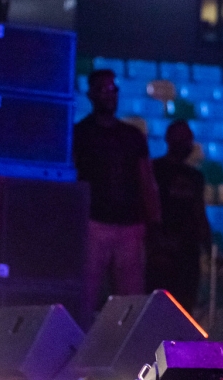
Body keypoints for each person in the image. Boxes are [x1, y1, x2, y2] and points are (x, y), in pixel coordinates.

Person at [73, 69, 161, 311]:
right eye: (103, 89)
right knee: (86, 294)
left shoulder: (132, 136)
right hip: (94, 223)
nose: (109, 94)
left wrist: (154, 221)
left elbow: (146, 179)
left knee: (131, 301)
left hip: (130, 225)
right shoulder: (80, 134)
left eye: (112, 89)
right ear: (91, 94)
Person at [146, 120, 211, 311]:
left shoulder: (195, 177)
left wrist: (208, 246)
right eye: (182, 138)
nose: (186, 143)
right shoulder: (154, 170)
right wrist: (156, 242)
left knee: (185, 308)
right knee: (158, 309)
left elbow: (199, 213)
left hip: (188, 254)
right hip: (161, 252)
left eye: (188, 138)